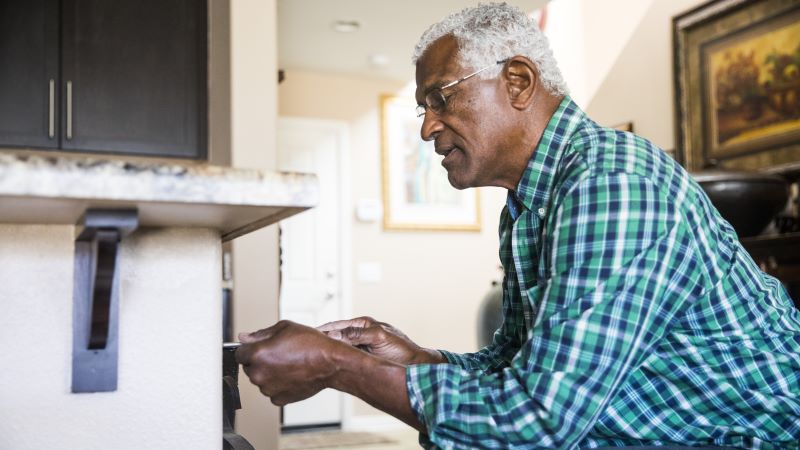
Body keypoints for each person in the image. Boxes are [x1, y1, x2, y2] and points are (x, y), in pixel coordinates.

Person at [236, 3, 800, 448]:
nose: (428, 127)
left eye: (440, 97)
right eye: (423, 107)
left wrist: (340, 367)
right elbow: (515, 364)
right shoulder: (530, 202)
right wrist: (413, 357)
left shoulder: (612, 182)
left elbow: (538, 424)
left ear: (519, 81)